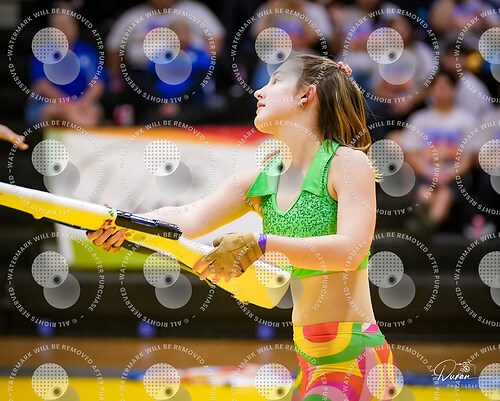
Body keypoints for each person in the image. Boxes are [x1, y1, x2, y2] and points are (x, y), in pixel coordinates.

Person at [88, 54, 396, 400]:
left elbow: (351, 251)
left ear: (306, 95)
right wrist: (123, 225)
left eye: (275, 81)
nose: (259, 92)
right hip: (310, 362)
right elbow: (187, 217)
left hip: (355, 359)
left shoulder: (347, 163)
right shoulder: (262, 180)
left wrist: (262, 244)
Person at [402, 70, 477, 234]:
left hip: (456, 177)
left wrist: (448, 174)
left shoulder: (466, 120)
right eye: (437, 87)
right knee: (424, 193)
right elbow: (411, 155)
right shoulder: (419, 119)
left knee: (444, 195)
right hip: (425, 175)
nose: (442, 91)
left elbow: (468, 158)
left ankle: (423, 229)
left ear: (454, 89)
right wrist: (430, 173)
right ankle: (425, 228)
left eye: (446, 87)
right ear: (430, 91)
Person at [26, 12, 104, 126]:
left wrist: (83, 102)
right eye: (59, 25)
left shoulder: (88, 52)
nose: (64, 29)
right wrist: (66, 102)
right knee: (55, 112)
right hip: (50, 103)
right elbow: (42, 85)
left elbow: (98, 84)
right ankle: (80, 127)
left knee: (93, 112)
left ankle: (80, 127)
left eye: (68, 24)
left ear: (76, 27)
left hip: (83, 104)